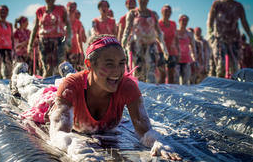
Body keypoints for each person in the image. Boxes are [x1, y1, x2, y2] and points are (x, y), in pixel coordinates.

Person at [49, 34, 181, 161]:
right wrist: (76, 148)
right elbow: (58, 133)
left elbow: (145, 131)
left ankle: (70, 69)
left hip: (87, 81)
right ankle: (68, 70)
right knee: (60, 84)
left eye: (121, 63)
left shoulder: (127, 86)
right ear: (89, 64)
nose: (117, 72)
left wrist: (157, 142)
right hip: (75, 84)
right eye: (109, 64)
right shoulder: (70, 87)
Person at [207, 0, 253, 78]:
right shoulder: (217, 4)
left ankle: (233, 88)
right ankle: (219, 87)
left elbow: (244, 21)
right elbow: (211, 19)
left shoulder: (238, 6)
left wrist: (250, 35)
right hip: (220, 38)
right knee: (221, 66)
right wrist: (210, 31)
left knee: (235, 67)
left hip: (234, 39)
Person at [122, 0, 169, 83]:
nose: (143, 0)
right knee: (138, 70)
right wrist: (123, 45)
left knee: (151, 69)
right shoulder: (132, 13)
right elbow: (127, 30)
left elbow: (158, 31)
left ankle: (150, 92)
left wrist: (164, 48)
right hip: (137, 46)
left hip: (150, 45)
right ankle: (138, 92)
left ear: (148, 0)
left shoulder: (153, 14)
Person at [27, 0, 72, 78]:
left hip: (59, 40)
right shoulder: (40, 11)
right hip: (44, 41)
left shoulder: (61, 9)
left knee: (59, 66)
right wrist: (30, 44)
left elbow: (68, 25)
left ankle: (59, 87)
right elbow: (35, 27)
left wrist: (68, 40)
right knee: (46, 67)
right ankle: (47, 87)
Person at [157, 5, 180, 84]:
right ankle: (161, 92)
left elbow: (176, 38)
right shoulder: (158, 24)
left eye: (169, 11)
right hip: (160, 51)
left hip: (172, 51)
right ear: (162, 12)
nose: (167, 13)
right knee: (162, 74)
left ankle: (171, 92)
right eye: (165, 11)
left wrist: (178, 51)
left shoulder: (173, 24)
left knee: (171, 75)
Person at [0, 5, 14, 79]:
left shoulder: (9, 25)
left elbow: (12, 37)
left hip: (8, 49)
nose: (3, 13)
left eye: (5, 11)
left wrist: (13, 50)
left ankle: (7, 87)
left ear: (7, 13)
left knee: (8, 71)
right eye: (1, 11)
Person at [176, 15, 197, 85]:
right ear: (179, 21)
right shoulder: (175, 32)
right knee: (175, 80)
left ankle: (184, 95)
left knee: (185, 81)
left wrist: (195, 59)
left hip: (186, 59)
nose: (184, 22)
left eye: (186, 21)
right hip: (176, 59)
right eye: (183, 20)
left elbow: (193, 47)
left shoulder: (189, 34)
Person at [65, 1, 83, 71]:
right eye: (70, 7)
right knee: (64, 69)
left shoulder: (78, 22)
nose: (72, 9)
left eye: (74, 7)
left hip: (74, 49)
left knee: (73, 70)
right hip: (64, 49)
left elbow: (80, 38)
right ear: (67, 8)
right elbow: (61, 36)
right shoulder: (63, 21)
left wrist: (81, 52)